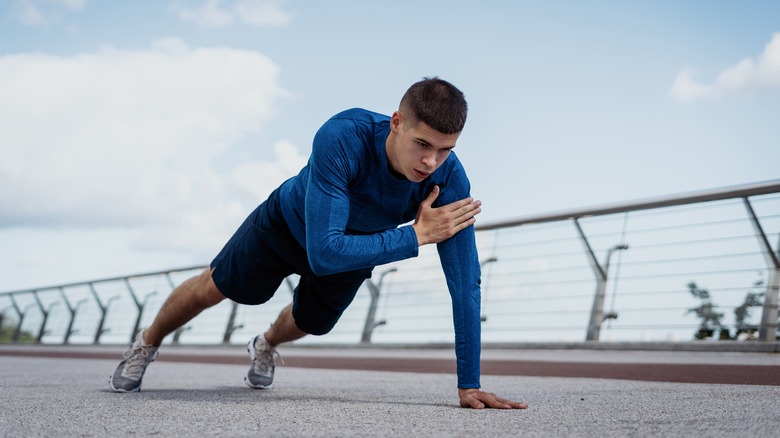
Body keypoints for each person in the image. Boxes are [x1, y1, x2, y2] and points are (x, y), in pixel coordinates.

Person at [109, 77, 527, 410]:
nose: (430, 162)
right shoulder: (343, 136)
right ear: (397, 122)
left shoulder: (450, 180)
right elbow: (324, 252)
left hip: (359, 245)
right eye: (422, 144)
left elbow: (465, 283)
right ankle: (147, 342)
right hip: (287, 225)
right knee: (215, 288)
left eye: (444, 150)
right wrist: (415, 235)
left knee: (313, 322)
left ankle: (265, 344)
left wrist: (469, 384)